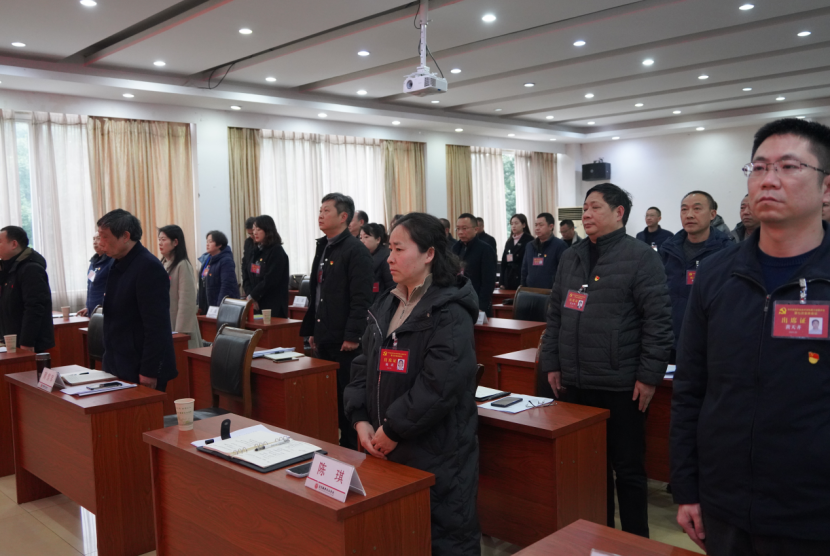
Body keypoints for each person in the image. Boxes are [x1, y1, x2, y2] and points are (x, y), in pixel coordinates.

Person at [672, 118, 830, 555]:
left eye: (789, 167)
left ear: (827, 187)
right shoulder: (716, 274)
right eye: (758, 168)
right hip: (724, 505)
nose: (768, 180)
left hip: (814, 513)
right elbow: (690, 388)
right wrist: (687, 487)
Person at [539, 183, 673, 538]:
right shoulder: (572, 256)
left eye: (595, 207)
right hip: (575, 383)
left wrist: (649, 376)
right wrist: (553, 363)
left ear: (619, 213)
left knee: (628, 470)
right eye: (584, 208)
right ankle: (599, 539)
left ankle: (635, 542)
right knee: (589, 471)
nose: (586, 214)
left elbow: (658, 322)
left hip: (621, 385)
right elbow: (555, 315)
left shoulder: (641, 257)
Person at [344, 213, 481, 555]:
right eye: (389, 248)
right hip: (384, 445)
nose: (389, 258)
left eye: (399, 249)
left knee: (440, 540)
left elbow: (440, 384)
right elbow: (363, 364)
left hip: (434, 451)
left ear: (429, 253)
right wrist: (360, 419)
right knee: (398, 536)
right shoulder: (387, 302)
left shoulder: (449, 310)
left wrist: (392, 429)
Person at [300, 193, 373, 450]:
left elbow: (361, 298)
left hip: (345, 341)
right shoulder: (324, 246)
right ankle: (337, 450)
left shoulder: (355, 250)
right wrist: (313, 330)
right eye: (320, 210)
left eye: (326, 211)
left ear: (343, 217)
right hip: (325, 335)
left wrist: (353, 335)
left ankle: (354, 452)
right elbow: (318, 293)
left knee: (347, 399)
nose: (320, 215)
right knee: (329, 398)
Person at [96, 209, 176, 391]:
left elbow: (157, 326)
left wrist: (149, 371)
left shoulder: (148, 267)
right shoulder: (116, 262)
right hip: (117, 362)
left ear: (125, 236)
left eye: (105, 237)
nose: (100, 243)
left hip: (140, 367)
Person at [659, 191, 732, 364]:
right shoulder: (668, 249)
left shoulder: (727, 252)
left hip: (708, 343)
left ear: (712, 214)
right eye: (684, 209)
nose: (689, 215)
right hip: (669, 340)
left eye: (697, 209)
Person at [0, 226, 54, 353]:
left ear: (14, 244)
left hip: (27, 343)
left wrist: (27, 342)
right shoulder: (7, 268)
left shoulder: (31, 269)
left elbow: (34, 307)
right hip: (10, 340)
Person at [158, 225, 202, 350]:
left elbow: (187, 302)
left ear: (175, 242)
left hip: (180, 327)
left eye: (163, 239)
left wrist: (181, 332)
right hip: (166, 322)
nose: (160, 243)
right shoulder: (163, 264)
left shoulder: (182, 265)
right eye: (159, 239)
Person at [452, 213, 496, 316]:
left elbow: (488, 282)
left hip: (477, 301)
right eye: (458, 229)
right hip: (457, 301)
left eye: (464, 228)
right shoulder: (455, 248)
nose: (460, 232)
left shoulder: (485, 249)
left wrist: (481, 306)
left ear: (476, 229)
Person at [246, 215, 290, 318]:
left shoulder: (277, 251)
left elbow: (270, 279)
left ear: (268, 230)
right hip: (256, 304)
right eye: (254, 229)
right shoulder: (257, 251)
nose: (255, 232)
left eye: (258, 229)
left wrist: (253, 296)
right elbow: (248, 274)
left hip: (272, 305)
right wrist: (251, 296)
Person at [197, 230, 239, 314]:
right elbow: (202, 284)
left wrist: (219, 307)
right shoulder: (207, 260)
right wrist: (198, 304)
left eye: (210, 241)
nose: (207, 244)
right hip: (207, 306)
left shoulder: (226, 261)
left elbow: (226, 286)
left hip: (219, 308)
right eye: (207, 241)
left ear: (219, 244)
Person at [521, 213, 567, 289]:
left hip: (550, 292)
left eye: (541, 225)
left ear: (551, 226)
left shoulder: (560, 245)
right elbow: (524, 269)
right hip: (530, 291)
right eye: (536, 225)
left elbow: (564, 272)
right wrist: (523, 288)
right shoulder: (530, 246)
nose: (537, 228)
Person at [77, 233, 113, 317]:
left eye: (98, 238)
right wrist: (88, 307)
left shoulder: (111, 261)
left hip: (104, 311)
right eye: (93, 239)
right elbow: (91, 285)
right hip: (92, 311)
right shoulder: (93, 263)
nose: (94, 242)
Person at [360, 223, 395, 302]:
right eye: (360, 237)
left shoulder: (386, 257)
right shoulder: (362, 256)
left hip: (381, 303)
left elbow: (392, 286)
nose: (362, 241)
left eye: (366, 237)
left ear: (378, 240)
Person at [500, 214, 533, 290]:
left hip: (522, 277)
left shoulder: (530, 240)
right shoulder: (509, 242)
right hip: (509, 278)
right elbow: (504, 263)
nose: (513, 226)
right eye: (512, 224)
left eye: (516, 223)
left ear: (524, 225)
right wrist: (502, 282)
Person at [241, 216, 256, 296]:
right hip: (250, 285)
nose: (252, 236)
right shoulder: (248, 242)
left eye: (253, 233)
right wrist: (247, 289)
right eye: (249, 234)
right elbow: (245, 265)